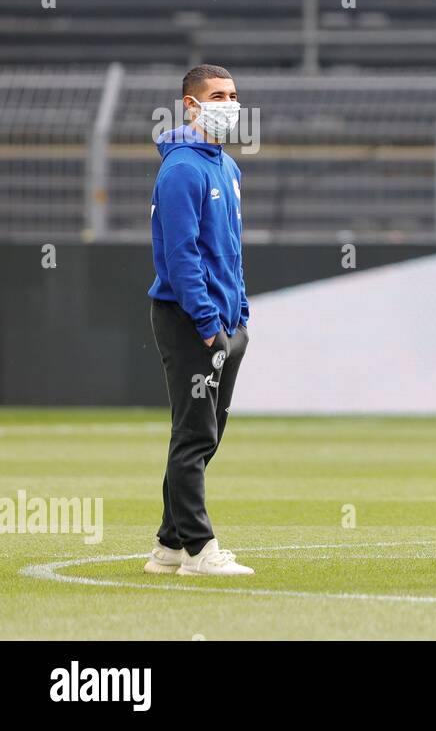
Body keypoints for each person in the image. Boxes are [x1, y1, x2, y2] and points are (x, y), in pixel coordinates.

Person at [144, 64, 253, 577]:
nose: (229, 104)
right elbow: (182, 256)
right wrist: (209, 322)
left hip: (223, 322)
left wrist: (241, 316)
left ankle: (169, 544)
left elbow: (229, 252)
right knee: (194, 435)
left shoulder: (227, 169)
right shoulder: (183, 169)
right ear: (190, 105)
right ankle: (198, 549)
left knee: (206, 433)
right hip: (190, 320)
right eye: (217, 95)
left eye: (233, 95)